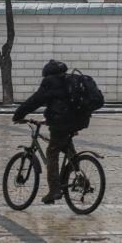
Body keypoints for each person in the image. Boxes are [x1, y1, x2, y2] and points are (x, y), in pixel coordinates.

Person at [12, 60, 87, 203]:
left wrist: (18, 115)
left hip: (61, 123)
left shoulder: (50, 82)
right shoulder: (70, 80)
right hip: (75, 121)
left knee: (52, 152)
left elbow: (35, 100)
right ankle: (81, 179)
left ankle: (54, 191)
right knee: (68, 150)